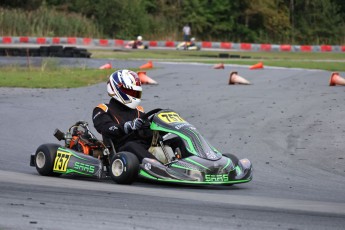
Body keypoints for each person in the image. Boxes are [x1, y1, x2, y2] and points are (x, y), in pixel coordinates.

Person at [92, 69, 154, 163]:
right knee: (132, 145)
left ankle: (182, 167)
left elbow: (147, 132)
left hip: (143, 146)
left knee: (175, 141)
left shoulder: (139, 110)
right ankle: (160, 168)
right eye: (132, 92)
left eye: (136, 93)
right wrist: (127, 126)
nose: (134, 96)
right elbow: (106, 128)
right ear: (118, 90)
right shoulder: (102, 109)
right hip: (121, 151)